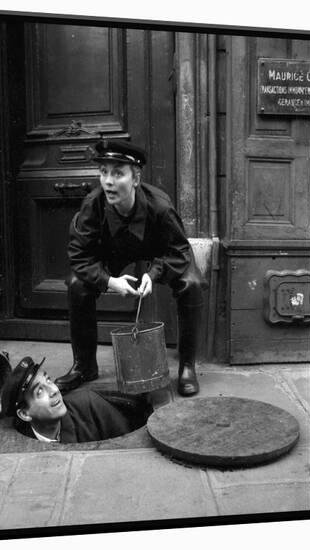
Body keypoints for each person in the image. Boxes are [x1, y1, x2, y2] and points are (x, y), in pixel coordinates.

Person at [54, 139, 205, 397]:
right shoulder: (93, 205)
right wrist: (109, 281)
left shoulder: (160, 206)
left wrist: (153, 273)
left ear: (135, 179)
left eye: (117, 173)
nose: (108, 181)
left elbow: (179, 250)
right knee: (77, 284)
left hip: (158, 251)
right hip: (112, 253)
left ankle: (187, 367)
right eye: (103, 173)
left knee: (192, 284)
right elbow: (78, 257)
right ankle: (84, 366)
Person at [1, 357, 133, 443]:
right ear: (24, 414)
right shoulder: (22, 440)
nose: (53, 390)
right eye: (40, 391)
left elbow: (129, 440)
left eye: (48, 380)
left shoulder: (90, 404)